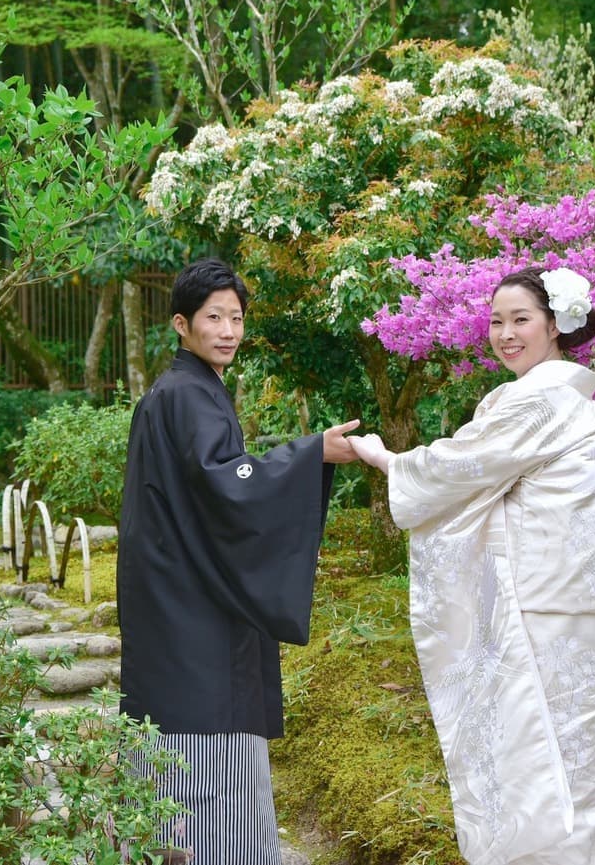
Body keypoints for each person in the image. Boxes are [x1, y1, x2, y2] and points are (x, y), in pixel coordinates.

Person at [349, 266, 595, 865]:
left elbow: (456, 469)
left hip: (548, 610)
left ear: (556, 325)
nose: (506, 334)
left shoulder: (541, 403)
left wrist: (386, 459)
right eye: (496, 321)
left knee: (545, 768)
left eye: (521, 319)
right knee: (588, 763)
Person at [116, 258, 359, 864]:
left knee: (170, 757)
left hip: (171, 594)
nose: (227, 331)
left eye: (236, 318)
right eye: (213, 317)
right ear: (181, 324)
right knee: (212, 756)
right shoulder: (189, 395)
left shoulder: (177, 391)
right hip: (194, 608)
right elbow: (228, 484)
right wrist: (311, 453)